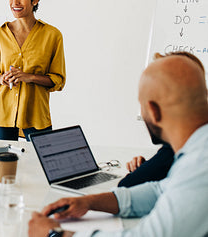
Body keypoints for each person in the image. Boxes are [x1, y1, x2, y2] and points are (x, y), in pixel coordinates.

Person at [28, 54, 208, 237]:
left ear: (153, 111)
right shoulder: (198, 148)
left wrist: (56, 234)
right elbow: (161, 190)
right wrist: (90, 202)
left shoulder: (200, 161)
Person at [0, 0, 66, 141]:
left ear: (35, 0)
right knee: (5, 165)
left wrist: (29, 77)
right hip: (3, 114)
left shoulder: (52, 35)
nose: (15, 2)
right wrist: (3, 79)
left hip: (36, 114)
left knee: (40, 163)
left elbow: (58, 80)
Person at [118, 51, 204, 188]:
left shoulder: (174, 151)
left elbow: (125, 188)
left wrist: (145, 171)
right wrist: (146, 166)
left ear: (153, 110)